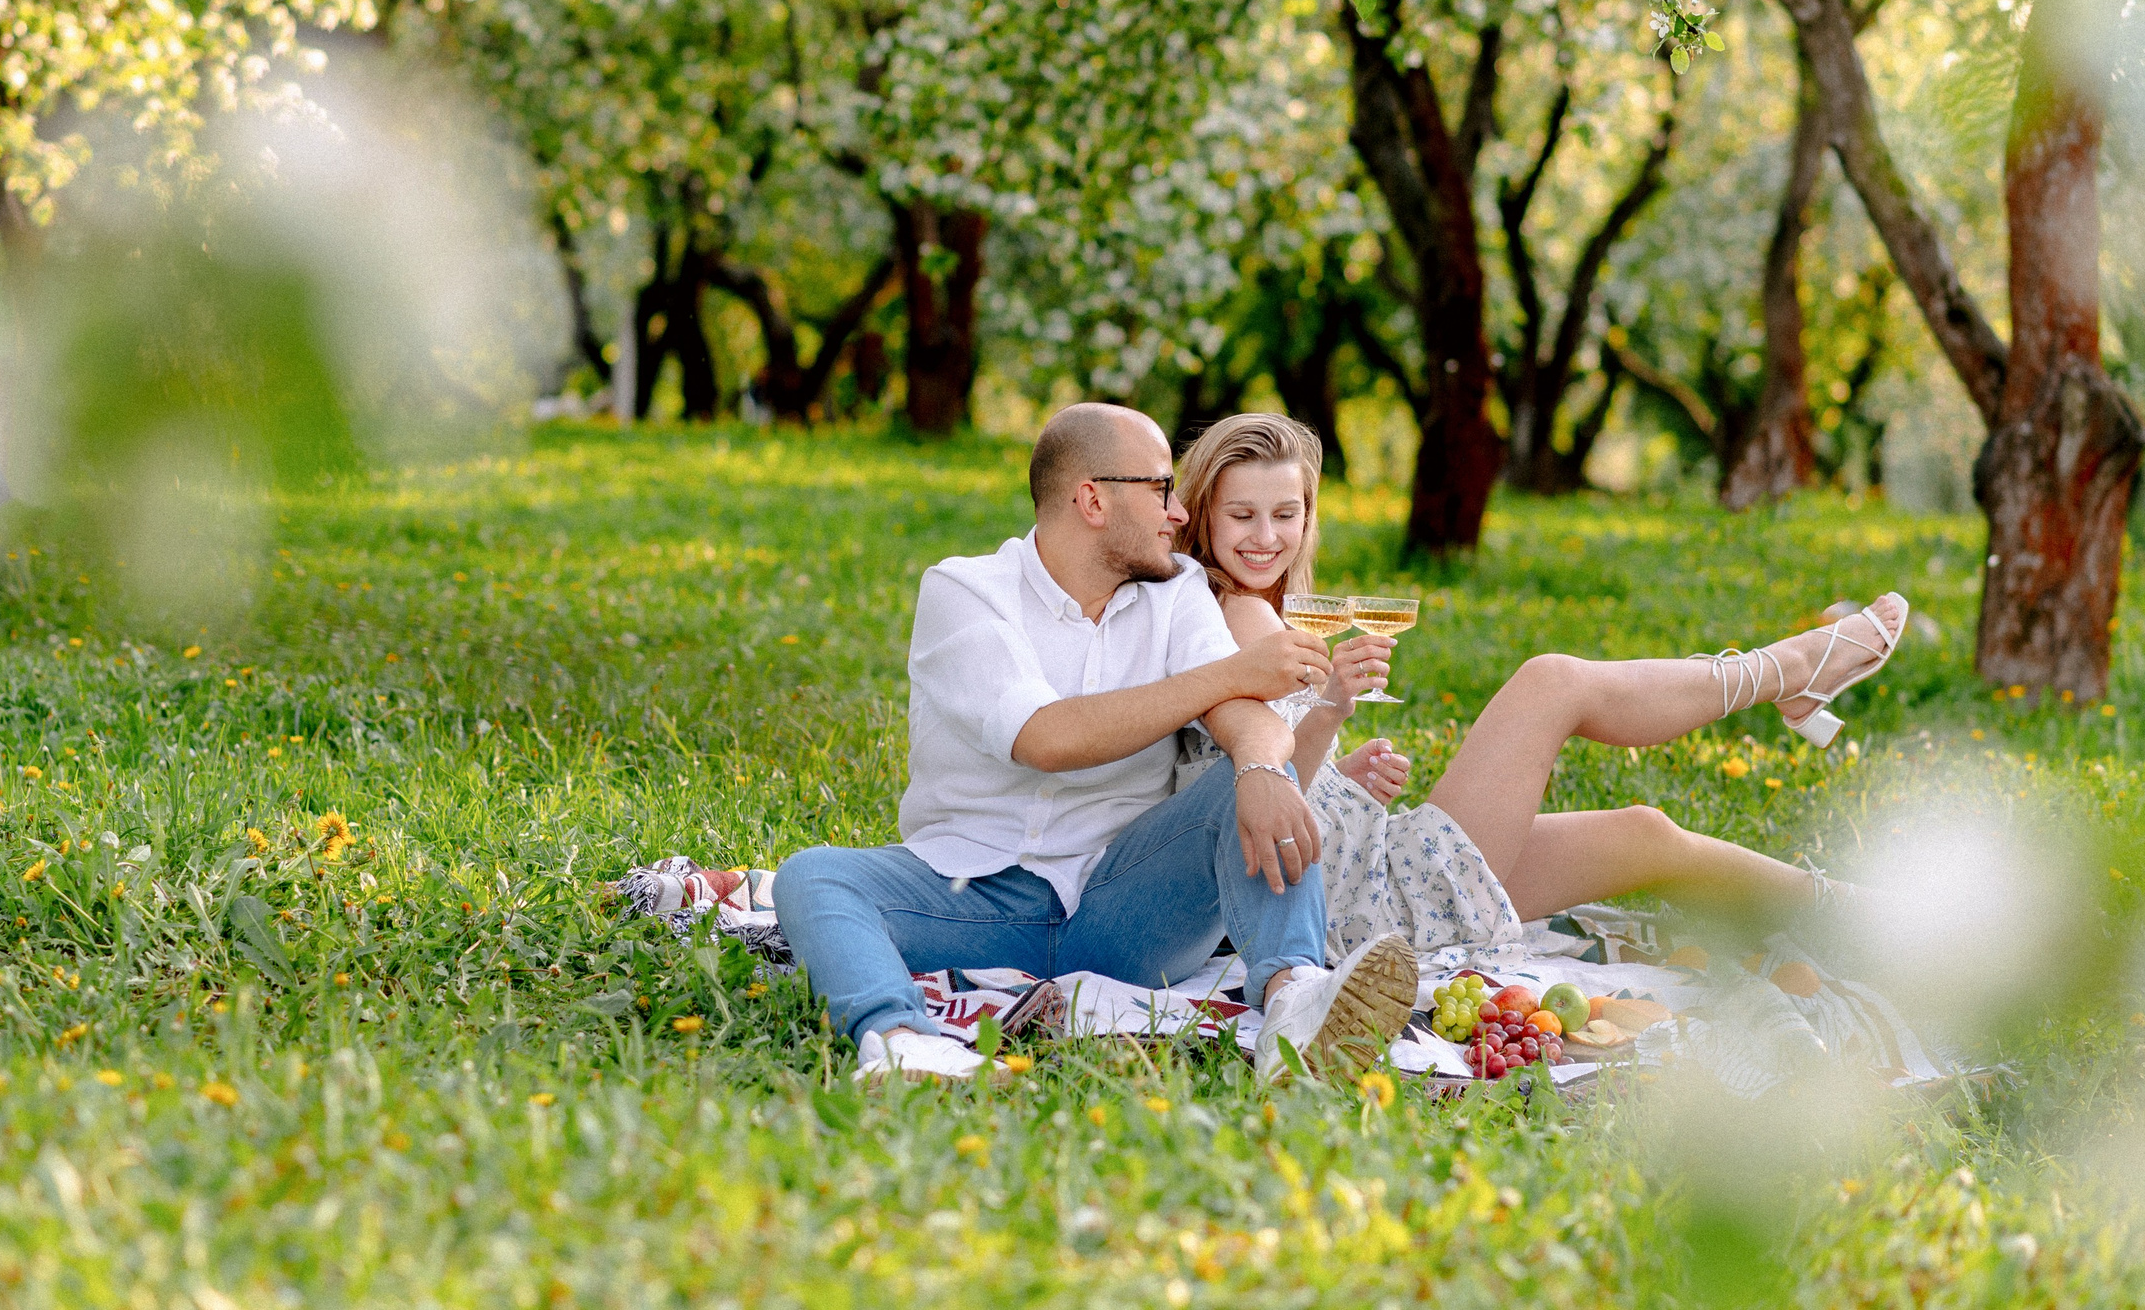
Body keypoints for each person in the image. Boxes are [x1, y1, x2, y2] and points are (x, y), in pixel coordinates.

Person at [772, 404, 1422, 1084]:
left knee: (1249, 775)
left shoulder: (1179, 594)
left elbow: (1246, 715)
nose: (1178, 513)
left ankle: (1296, 1001)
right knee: (814, 874)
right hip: (968, 898)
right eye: (1161, 489)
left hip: (1125, 906)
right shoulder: (966, 593)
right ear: (1092, 498)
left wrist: (1262, 763)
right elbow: (1046, 736)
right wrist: (1228, 674)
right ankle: (903, 1043)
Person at [1169, 412, 1903, 959]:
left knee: (1643, 834)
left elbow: (1260, 773)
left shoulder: (1249, 612)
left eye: (1285, 513)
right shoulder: (1230, 612)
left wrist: (1341, 772)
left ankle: (1865, 919)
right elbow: (1245, 784)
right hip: (1370, 908)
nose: (1265, 535)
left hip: (1372, 873)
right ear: (1203, 513)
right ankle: (1789, 672)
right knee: (1550, 683)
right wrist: (1331, 709)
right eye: (1242, 515)